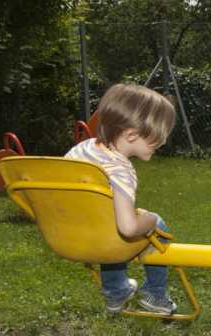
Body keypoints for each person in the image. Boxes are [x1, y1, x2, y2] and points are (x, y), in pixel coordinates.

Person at [65, 83, 178, 315]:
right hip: (104, 239)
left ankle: (116, 291)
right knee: (157, 224)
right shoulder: (120, 170)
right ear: (131, 134)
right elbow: (127, 228)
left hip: (71, 233)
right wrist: (148, 219)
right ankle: (155, 295)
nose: (163, 142)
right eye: (158, 137)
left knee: (106, 217)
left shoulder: (81, 150)